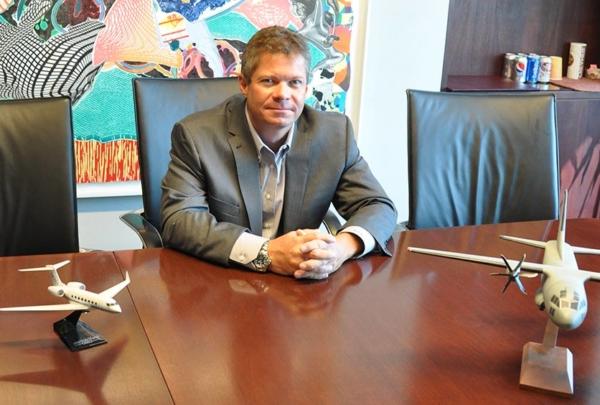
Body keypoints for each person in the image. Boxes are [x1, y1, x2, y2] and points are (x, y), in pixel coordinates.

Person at [161, 26, 397, 280]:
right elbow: (180, 219)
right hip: (225, 282)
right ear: (243, 83)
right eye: (268, 81)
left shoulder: (334, 135)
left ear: (306, 89)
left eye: (294, 82)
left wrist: (339, 250)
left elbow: (377, 206)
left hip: (298, 285)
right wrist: (267, 253)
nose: (283, 95)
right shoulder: (197, 136)